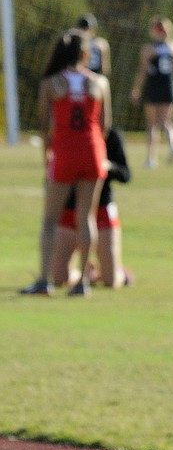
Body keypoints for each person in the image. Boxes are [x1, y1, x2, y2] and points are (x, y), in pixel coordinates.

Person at [20, 29, 110, 297]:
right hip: (93, 150)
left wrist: (46, 161)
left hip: (65, 151)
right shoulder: (100, 83)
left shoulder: (50, 84)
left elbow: (46, 129)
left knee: (50, 219)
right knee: (86, 217)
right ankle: (82, 282)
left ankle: (44, 280)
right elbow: (105, 126)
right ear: (85, 54)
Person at [52, 127, 132, 289]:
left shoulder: (110, 136)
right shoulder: (65, 134)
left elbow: (125, 174)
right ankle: (88, 273)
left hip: (101, 208)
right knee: (59, 278)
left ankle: (120, 273)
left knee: (110, 281)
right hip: (71, 209)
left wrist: (108, 166)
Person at [130, 16, 173, 168]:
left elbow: (142, 71)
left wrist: (136, 90)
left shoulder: (149, 49)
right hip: (171, 87)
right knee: (166, 122)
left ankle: (151, 158)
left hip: (154, 87)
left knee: (152, 124)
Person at [76, 13, 111, 79]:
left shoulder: (102, 44)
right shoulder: (102, 44)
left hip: (86, 77)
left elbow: (105, 69)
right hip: (91, 78)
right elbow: (105, 70)